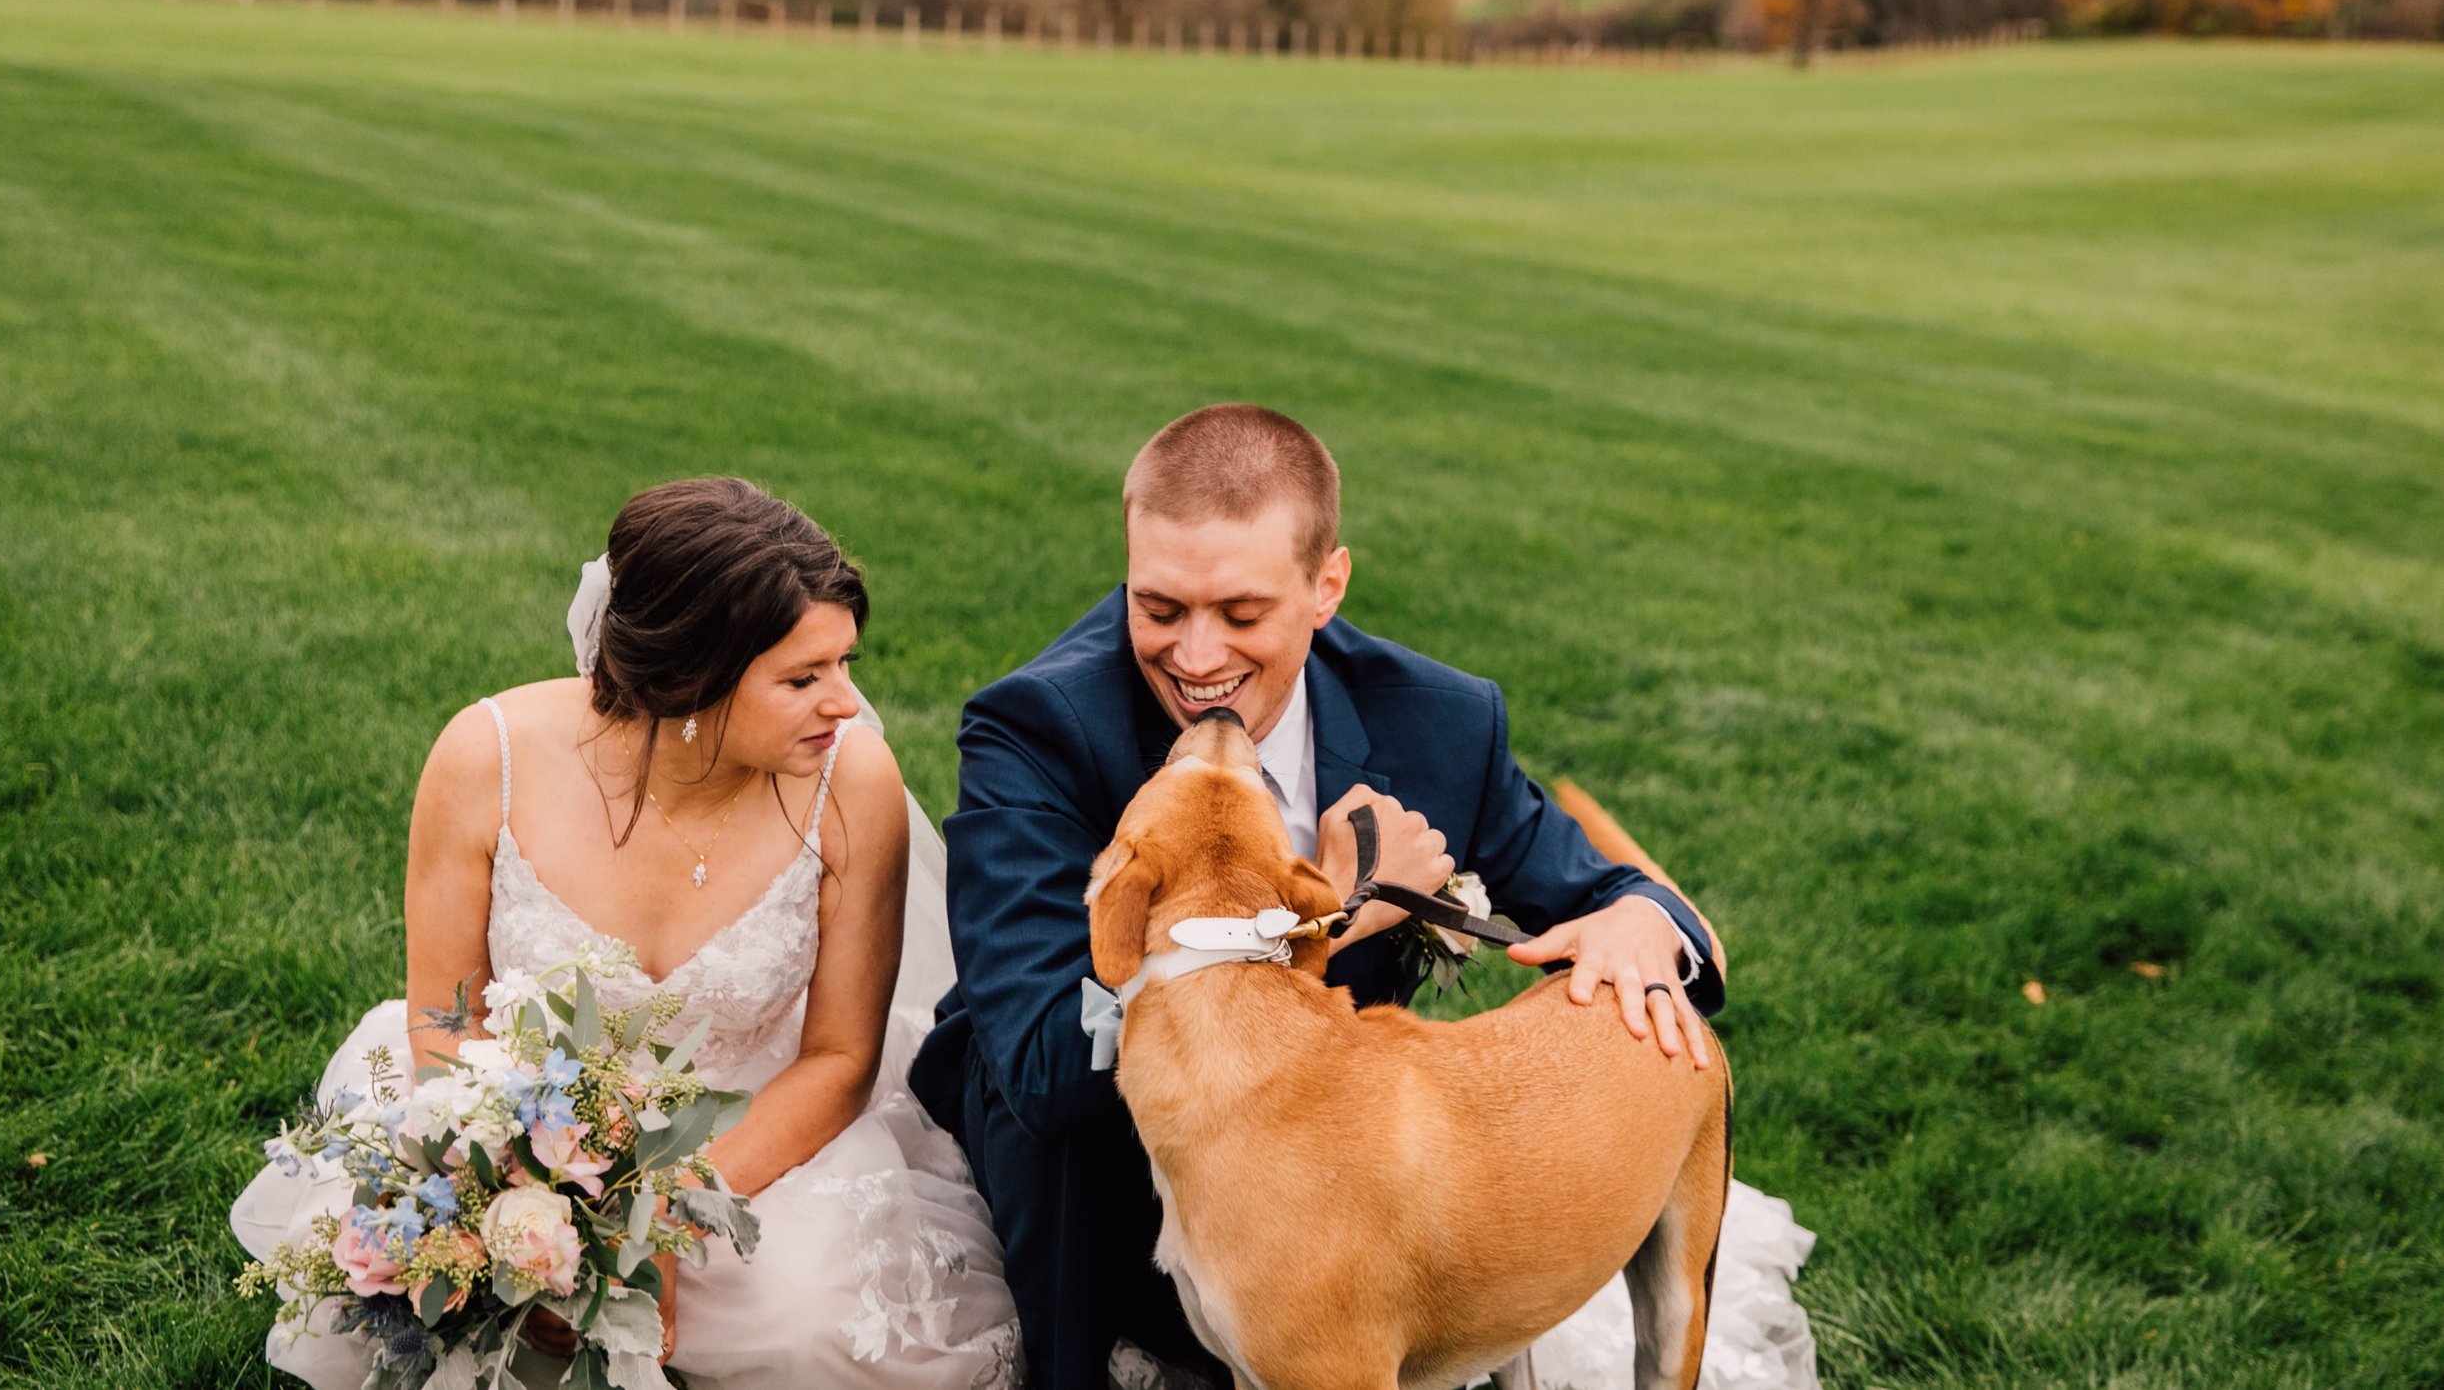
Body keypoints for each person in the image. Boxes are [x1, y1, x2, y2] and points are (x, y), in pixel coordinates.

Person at [910, 405, 1818, 1390]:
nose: (1197, 657)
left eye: (1242, 613)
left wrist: (1645, 917)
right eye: (1158, 607)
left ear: (1325, 587)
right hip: (1095, 1176)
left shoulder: (1438, 719)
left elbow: (1607, 889)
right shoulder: (1035, 727)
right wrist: (1329, 915)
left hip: (1346, 1193)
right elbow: (1042, 1063)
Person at [232, 478, 1022, 1390]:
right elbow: (445, 1023)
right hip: (523, 1116)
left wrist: (662, 1211)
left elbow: (841, 1056)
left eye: (845, 663)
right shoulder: (484, 756)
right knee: (385, 1307)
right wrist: (520, 1196)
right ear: (692, 678)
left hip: (756, 1131)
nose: (846, 702)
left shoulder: (853, 781)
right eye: (804, 677)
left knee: (811, 1327)